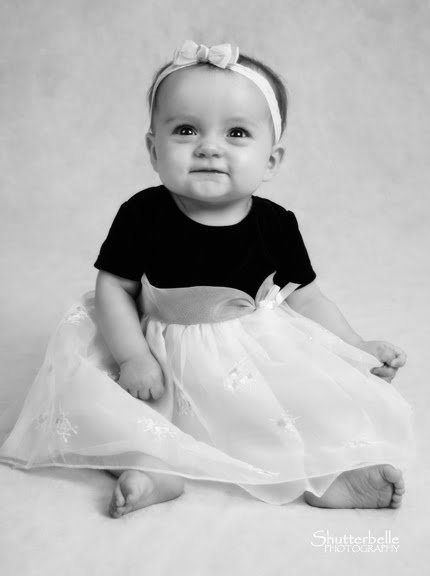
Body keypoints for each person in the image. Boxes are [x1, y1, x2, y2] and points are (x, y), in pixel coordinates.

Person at [0, 40, 415, 519]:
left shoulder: (276, 224)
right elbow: (113, 287)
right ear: (154, 150)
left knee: (298, 406)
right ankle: (154, 472)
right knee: (117, 412)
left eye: (237, 133)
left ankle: (325, 478)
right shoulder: (142, 215)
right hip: (160, 355)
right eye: (186, 130)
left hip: (248, 358)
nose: (209, 147)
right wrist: (132, 356)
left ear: (271, 160)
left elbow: (308, 298)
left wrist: (354, 346)